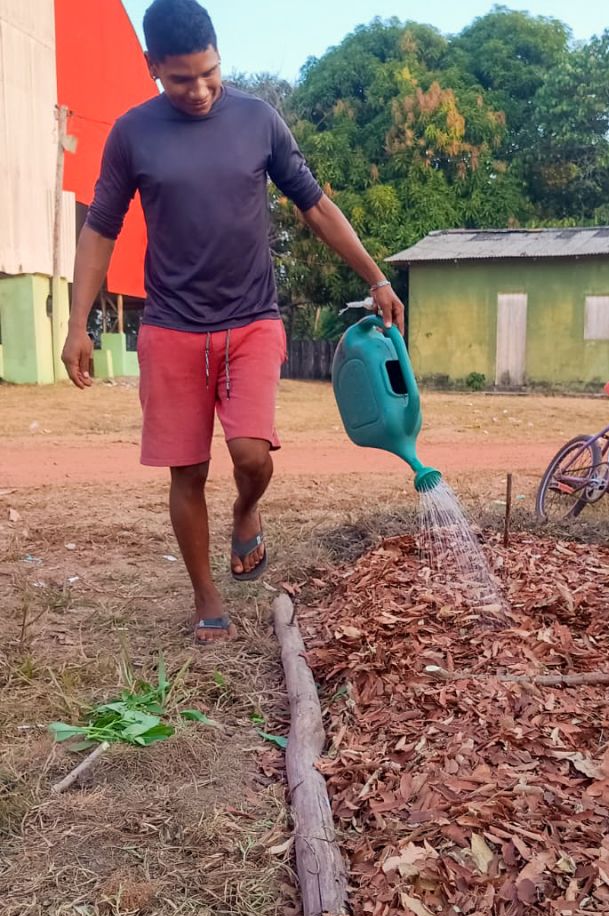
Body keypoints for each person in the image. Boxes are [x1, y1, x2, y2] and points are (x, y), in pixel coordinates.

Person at [61, 0, 403, 645]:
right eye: (181, 78)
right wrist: (78, 323)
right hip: (171, 327)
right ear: (152, 66)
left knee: (251, 455)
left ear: (220, 57)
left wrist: (376, 277)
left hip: (251, 321)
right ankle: (205, 594)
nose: (199, 90)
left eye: (210, 73)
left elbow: (315, 206)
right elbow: (100, 228)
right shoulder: (132, 133)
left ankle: (246, 511)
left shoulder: (257, 120)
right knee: (187, 471)